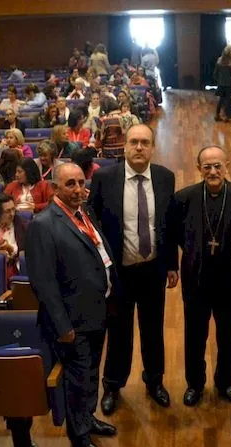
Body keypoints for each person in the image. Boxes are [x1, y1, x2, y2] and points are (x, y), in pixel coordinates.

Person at [26, 162, 116, 447]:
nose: (78, 189)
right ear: (55, 188)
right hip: (71, 321)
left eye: (81, 182)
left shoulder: (82, 213)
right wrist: (63, 326)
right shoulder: (43, 224)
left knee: (91, 372)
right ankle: (79, 436)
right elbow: (43, 283)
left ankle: (88, 418)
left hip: (96, 312)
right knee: (76, 379)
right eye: (70, 184)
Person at [88, 124, 178, 415]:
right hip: (119, 273)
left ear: (152, 148)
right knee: (118, 331)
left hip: (152, 270)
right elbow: (92, 224)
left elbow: (168, 224)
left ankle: (154, 381)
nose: (139, 147)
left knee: (153, 330)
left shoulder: (165, 177)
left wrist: (171, 264)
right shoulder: (104, 178)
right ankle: (113, 385)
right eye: (134, 142)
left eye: (145, 143)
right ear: (124, 146)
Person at [167, 146, 231, 407]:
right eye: (207, 167)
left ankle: (225, 382)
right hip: (196, 278)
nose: (213, 171)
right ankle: (195, 383)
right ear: (199, 169)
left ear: (227, 165)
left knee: (228, 336)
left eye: (218, 166)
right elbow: (172, 234)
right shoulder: (184, 198)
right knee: (195, 335)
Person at [214, 45, 231, 122]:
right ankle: (227, 116)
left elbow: (215, 74)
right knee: (228, 101)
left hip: (221, 84)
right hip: (229, 84)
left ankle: (217, 115)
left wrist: (219, 80)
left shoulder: (219, 60)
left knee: (221, 100)